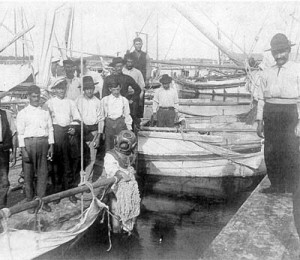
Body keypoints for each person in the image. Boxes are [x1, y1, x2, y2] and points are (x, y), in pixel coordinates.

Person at [256, 33, 300, 194]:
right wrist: (259, 120)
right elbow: (261, 98)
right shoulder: (266, 72)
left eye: (282, 51)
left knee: (291, 149)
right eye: (276, 52)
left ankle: (293, 186)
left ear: (288, 50)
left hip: (290, 113)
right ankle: (276, 185)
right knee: (271, 150)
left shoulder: (297, 69)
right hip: (271, 112)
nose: (279, 56)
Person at [16, 85, 54, 213]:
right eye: (33, 96)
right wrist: (23, 150)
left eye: (38, 96)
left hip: (43, 143)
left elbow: (50, 129)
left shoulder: (45, 111)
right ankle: (30, 202)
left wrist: (51, 145)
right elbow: (20, 133)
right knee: (28, 175)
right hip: (29, 144)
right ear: (28, 97)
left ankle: (42, 201)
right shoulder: (23, 113)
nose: (36, 99)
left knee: (43, 173)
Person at [46, 77, 81, 204]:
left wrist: (73, 128)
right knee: (56, 166)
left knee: (69, 165)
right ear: (55, 90)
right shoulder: (49, 103)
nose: (61, 91)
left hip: (68, 135)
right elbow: (46, 120)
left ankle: (70, 192)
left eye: (63, 88)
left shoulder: (70, 102)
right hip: (55, 134)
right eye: (59, 88)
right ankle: (57, 194)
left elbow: (77, 117)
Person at [103, 130, 140, 234]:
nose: (124, 148)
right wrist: (119, 172)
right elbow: (110, 167)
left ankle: (127, 229)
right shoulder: (110, 155)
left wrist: (130, 171)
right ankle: (116, 231)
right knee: (115, 210)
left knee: (131, 208)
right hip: (115, 188)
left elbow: (130, 165)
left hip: (129, 188)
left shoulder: (131, 154)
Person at [102, 57, 141, 131]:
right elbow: (104, 94)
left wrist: (132, 99)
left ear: (123, 66)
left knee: (128, 127)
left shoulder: (127, 78)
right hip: (111, 107)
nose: (119, 68)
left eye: (121, 66)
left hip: (124, 106)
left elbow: (138, 89)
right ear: (114, 67)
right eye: (117, 66)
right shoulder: (108, 79)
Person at [75, 76, 101, 182]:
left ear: (94, 89)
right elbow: (75, 117)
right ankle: (78, 180)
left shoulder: (97, 102)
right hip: (81, 131)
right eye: (87, 88)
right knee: (80, 157)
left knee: (92, 158)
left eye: (91, 88)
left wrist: (98, 136)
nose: (89, 90)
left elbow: (101, 120)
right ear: (83, 89)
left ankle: (86, 180)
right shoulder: (78, 101)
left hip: (94, 132)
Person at [99, 81, 132, 152]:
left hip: (120, 125)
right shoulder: (105, 100)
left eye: (118, 89)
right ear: (110, 89)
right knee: (108, 147)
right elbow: (101, 116)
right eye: (114, 90)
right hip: (109, 125)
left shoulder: (124, 100)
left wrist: (129, 129)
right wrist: (101, 131)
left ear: (120, 88)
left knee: (121, 146)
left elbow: (127, 115)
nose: (116, 92)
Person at [123, 53, 145, 129]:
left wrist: (138, 99)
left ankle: (134, 132)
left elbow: (141, 87)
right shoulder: (122, 71)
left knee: (133, 115)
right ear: (125, 62)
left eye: (131, 62)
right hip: (123, 96)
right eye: (128, 62)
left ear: (134, 62)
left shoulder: (138, 72)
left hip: (134, 97)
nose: (129, 64)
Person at [0, 108, 16, 209]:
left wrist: (13, 152)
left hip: (3, 149)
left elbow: (14, 133)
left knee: (4, 179)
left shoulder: (6, 114)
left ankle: (1, 206)